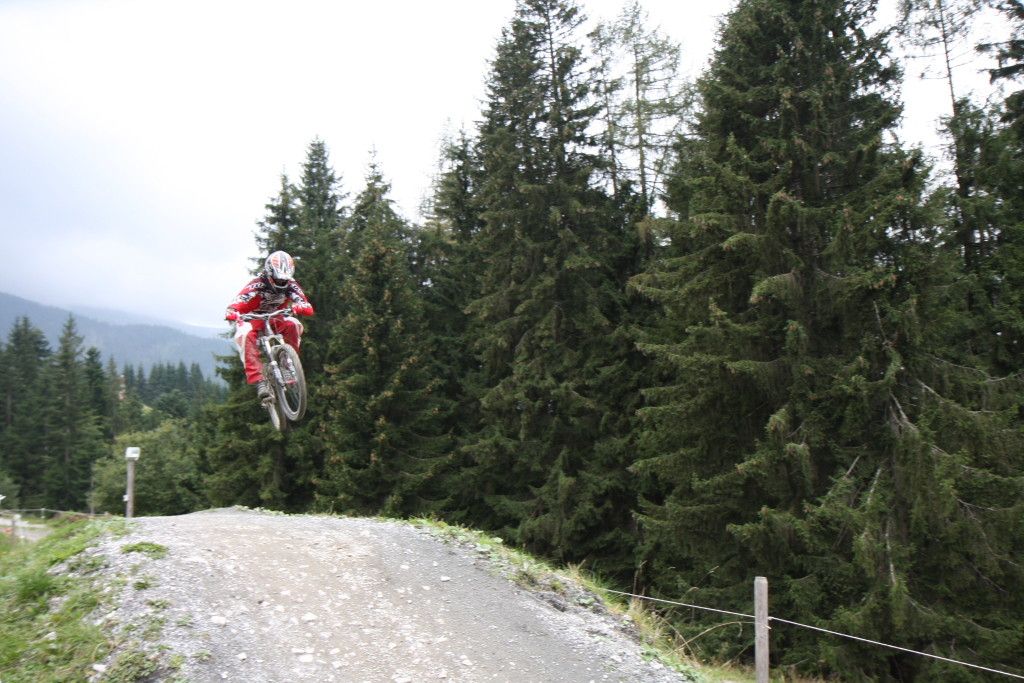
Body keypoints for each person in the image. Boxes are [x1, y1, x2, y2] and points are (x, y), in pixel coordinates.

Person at [225, 250, 314, 401]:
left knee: (294, 324)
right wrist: (232, 311)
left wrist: (299, 307)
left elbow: (307, 306)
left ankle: (287, 363)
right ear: (269, 273)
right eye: (277, 279)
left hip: (276, 317)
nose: (281, 283)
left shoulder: (291, 285)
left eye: (284, 280)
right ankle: (259, 381)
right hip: (253, 317)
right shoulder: (258, 283)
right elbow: (239, 299)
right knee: (245, 334)